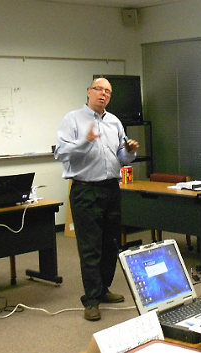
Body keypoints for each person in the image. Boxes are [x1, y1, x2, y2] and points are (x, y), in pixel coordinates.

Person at [54, 77, 139, 321]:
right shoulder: (72, 119)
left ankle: (103, 289)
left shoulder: (114, 122)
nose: (103, 94)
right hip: (85, 190)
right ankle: (91, 300)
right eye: (99, 89)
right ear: (89, 92)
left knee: (110, 244)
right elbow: (60, 153)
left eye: (108, 92)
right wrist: (85, 140)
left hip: (111, 189)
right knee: (90, 247)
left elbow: (121, 157)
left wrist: (130, 152)